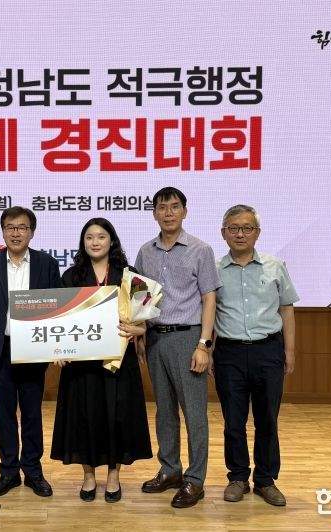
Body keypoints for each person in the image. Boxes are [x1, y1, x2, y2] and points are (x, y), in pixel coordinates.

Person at [50, 218, 152, 503]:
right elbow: (58, 321)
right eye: (89, 237)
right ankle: (88, 476)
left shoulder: (130, 275)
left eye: (101, 236)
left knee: (117, 417)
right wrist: (58, 350)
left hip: (118, 362)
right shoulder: (71, 276)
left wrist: (140, 330)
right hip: (80, 365)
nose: (95, 242)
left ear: (112, 241)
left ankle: (114, 475)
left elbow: (144, 319)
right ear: (83, 242)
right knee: (84, 417)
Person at [134, 187, 221, 509]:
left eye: (174, 207)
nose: (168, 213)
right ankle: (170, 470)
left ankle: (195, 479)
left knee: (194, 413)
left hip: (188, 338)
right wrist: (141, 337)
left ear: (185, 211)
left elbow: (209, 298)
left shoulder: (200, 249)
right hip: (155, 338)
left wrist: (204, 344)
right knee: (165, 411)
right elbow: (140, 298)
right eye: (162, 207)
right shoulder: (145, 252)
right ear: (154, 213)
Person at [0, 206, 61, 498]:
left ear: (31, 232)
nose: (16, 233)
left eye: (22, 227)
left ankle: (33, 471)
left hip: (33, 348)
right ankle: (8, 472)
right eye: (10, 227)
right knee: (4, 414)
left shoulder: (47, 263)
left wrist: (56, 345)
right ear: (3, 231)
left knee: (32, 414)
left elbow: (56, 306)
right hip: (0, 348)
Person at [211, 204, 299, 507]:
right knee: (233, 422)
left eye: (247, 228)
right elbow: (208, 311)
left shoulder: (275, 265)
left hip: (268, 351)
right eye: (234, 228)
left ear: (257, 233)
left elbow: (286, 308)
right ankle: (237, 477)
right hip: (228, 353)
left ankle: (265, 480)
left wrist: (289, 351)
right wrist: (207, 349)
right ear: (223, 233)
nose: (240, 234)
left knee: (267, 420)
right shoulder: (214, 269)